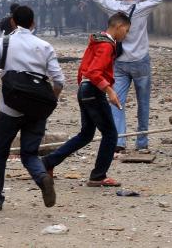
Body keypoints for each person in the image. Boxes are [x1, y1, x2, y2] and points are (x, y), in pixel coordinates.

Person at [0, 6, 65, 211]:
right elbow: (59, 81)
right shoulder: (45, 46)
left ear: (12, 22)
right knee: (30, 154)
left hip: (9, 107)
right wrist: (49, 102)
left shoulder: (4, 42)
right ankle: (42, 177)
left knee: (0, 153)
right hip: (38, 108)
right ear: (33, 23)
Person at [42, 12, 131, 187]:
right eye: (126, 31)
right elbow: (93, 72)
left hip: (85, 89)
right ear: (119, 26)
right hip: (93, 90)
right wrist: (110, 91)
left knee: (86, 134)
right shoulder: (107, 46)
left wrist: (84, 89)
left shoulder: (98, 40)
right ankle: (98, 175)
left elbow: (84, 69)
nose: (126, 35)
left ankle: (48, 162)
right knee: (111, 134)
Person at [91, 0, 164, 152]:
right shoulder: (142, 7)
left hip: (119, 61)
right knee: (143, 103)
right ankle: (142, 142)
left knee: (117, 101)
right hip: (141, 61)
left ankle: (120, 141)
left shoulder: (113, 7)